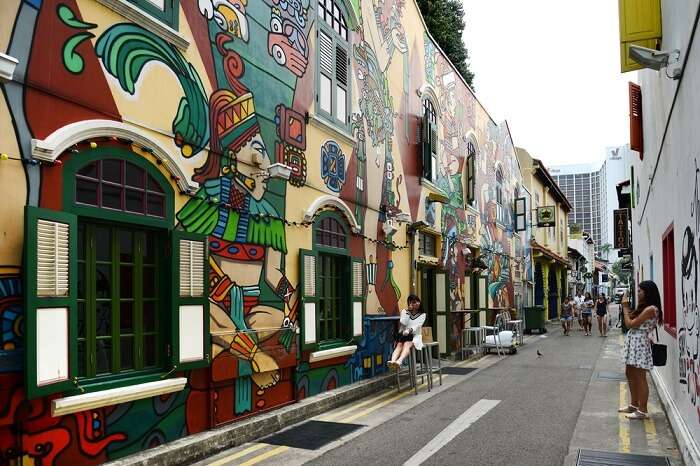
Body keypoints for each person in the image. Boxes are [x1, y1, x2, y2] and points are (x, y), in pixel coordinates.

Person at [619, 281, 663, 419]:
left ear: (647, 293)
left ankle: (642, 410)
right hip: (634, 342)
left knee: (640, 376)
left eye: (640, 291)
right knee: (629, 372)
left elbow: (630, 324)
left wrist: (625, 308)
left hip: (640, 343)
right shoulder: (644, 307)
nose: (637, 293)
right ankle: (633, 404)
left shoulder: (651, 309)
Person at [388, 295, 426, 370]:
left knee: (407, 344)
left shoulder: (422, 314)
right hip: (404, 335)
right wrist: (408, 311)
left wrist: (409, 330)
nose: (417, 303)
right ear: (410, 304)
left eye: (418, 301)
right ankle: (392, 362)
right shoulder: (405, 312)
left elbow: (417, 325)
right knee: (399, 345)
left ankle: (399, 361)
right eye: (414, 302)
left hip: (415, 336)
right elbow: (403, 323)